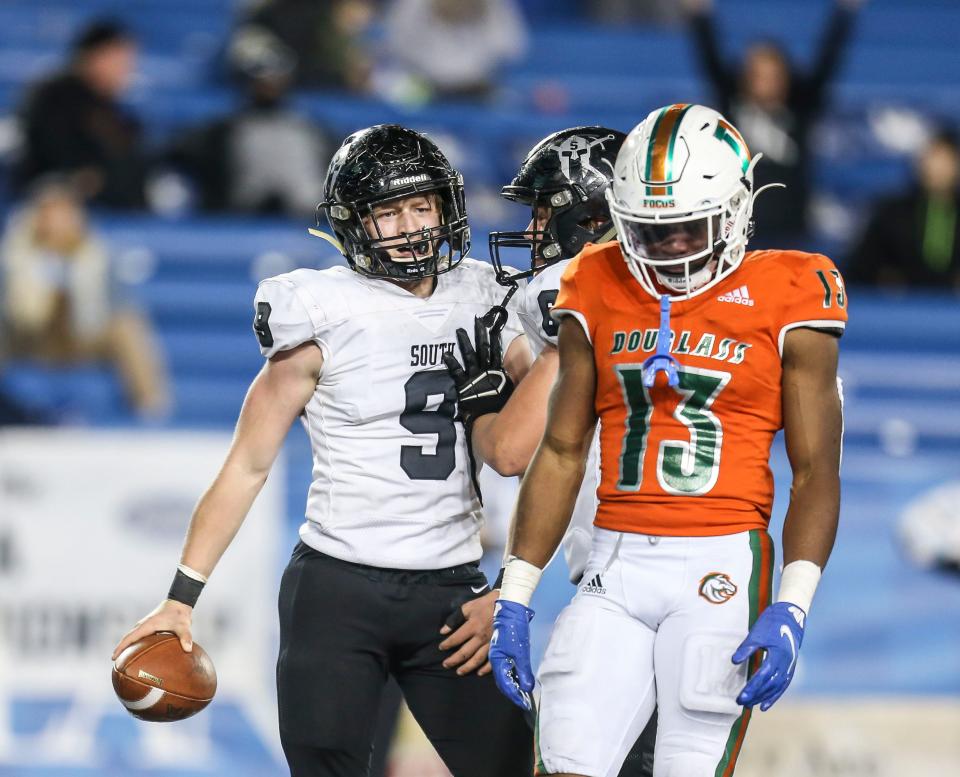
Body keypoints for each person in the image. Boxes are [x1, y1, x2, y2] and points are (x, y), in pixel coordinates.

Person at [112, 124, 533, 777]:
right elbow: (248, 465)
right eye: (388, 211)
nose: (410, 225)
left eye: (421, 204)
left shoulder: (488, 297)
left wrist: (512, 586)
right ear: (354, 224)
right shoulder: (321, 309)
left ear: (446, 205)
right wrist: (180, 597)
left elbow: (554, 440)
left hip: (453, 589)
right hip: (339, 589)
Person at [488, 104, 847, 777]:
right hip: (614, 564)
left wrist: (793, 603)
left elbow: (815, 470)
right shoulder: (594, 278)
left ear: (735, 209)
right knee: (561, 763)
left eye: (687, 229)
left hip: (721, 565)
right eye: (650, 232)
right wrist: (515, 592)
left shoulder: (794, 290)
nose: (670, 249)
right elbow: (562, 449)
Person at [447, 126, 658, 777]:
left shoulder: (570, 288)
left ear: (591, 213)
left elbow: (513, 450)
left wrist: (483, 402)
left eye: (545, 208)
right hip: (704, 569)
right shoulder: (677, 290)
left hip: (622, 588)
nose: (534, 227)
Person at [681, 0, 863, 247]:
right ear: (745, 77)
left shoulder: (801, 109)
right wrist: (699, 14)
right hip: (738, 231)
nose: (766, 82)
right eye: (757, 74)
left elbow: (827, 62)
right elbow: (710, 60)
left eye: (773, 75)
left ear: (787, 78)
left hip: (791, 229)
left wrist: (846, 12)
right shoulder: (733, 107)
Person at [0, 178, 170, 417]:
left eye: (64, 214)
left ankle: (150, 409)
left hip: (81, 336)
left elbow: (116, 304)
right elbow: (12, 308)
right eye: (50, 214)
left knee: (127, 325)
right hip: (32, 336)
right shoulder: (16, 255)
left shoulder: (96, 255)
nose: (57, 222)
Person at [167, 27, 332, 217]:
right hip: (242, 228)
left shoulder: (312, 130)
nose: (269, 83)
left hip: (308, 226)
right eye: (262, 75)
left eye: (277, 74)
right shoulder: (221, 132)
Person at [14, 19, 148, 209]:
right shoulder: (53, 96)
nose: (127, 68)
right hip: (48, 204)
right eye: (120, 58)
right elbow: (53, 155)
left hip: (110, 206)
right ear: (95, 55)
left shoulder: (119, 112)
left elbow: (132, 163)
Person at [846, 129, 960, 289]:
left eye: (946, 159)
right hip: (898, 309)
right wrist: (884, 278)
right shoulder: (892, 212)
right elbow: (862, 265)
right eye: (932, 157)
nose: (937, 167)